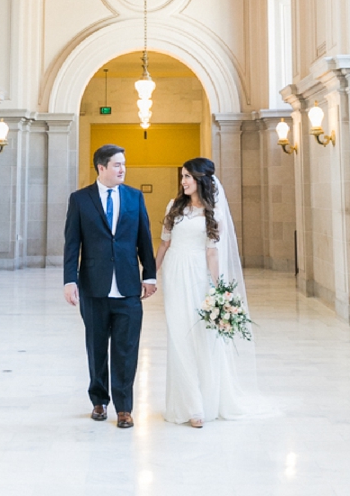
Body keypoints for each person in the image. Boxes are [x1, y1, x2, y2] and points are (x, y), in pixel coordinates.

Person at [155, 157, 260, 426]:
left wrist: (219, 289)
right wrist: (150, 276)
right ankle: (190, 406)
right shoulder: (174, 207)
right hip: (175, 274)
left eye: (188, 176)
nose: (183, 181)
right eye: (182, 176)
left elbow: (212, 253)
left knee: (201, 337)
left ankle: (204, 402)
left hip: (199, 276)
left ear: (201, 179)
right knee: (179, 336)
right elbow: (164, 244)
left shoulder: (214, 214)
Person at [62, 144, 157, 428]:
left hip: (128, 287)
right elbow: (72, 243)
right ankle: (99, 401)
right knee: (96, 347)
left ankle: (125, 407)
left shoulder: (134, 197)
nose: (122, 169)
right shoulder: (80, 199)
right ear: (101, 168)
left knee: (127, 350)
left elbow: (144, 238)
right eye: (117, 165)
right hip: (94, 286)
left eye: (124, 164)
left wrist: (149, 275)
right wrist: (70, 280)